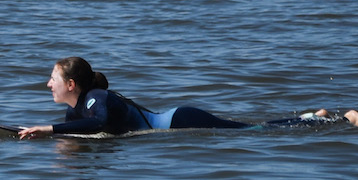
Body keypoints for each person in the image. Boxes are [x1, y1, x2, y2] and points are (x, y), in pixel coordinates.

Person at [16, 57, 247, 138]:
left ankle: (282, 124)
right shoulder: (74, 110)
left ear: (70, 84)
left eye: (52, 79)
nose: (47, 84)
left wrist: (47, 129)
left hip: (180, 120)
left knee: (249, 130)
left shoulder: (97, 97)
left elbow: (98, 123)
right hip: (176, 121)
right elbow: (78, 133)